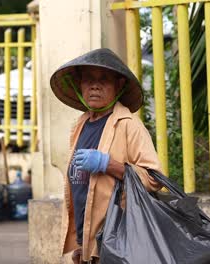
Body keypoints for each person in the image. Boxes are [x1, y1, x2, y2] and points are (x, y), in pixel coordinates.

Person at [50, 48, 163, 264]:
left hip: (118, 241)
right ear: (79, 84)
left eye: (104, 80)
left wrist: (108, 164)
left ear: (119, 86)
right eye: (88, 79)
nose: (94, 85)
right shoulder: (80, 125)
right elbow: (82, 189)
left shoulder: (129, 126)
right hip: (88, 244)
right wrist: (81, 244)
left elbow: (154, 178)